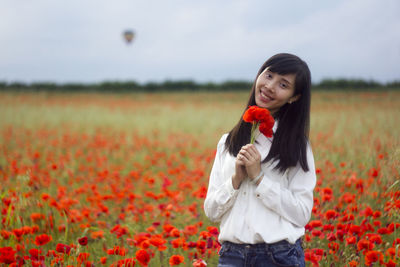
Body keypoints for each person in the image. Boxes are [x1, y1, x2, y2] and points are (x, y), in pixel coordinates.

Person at [204, 53, 316, 267]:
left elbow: (302, 213)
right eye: (269, 75)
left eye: (283, 84)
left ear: (294, 96)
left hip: (278, 256)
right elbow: (211, 211)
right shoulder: (227, 142)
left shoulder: (297, 146)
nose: (270, 86)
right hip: (231, 257)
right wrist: (236, 179)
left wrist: (259, 178)